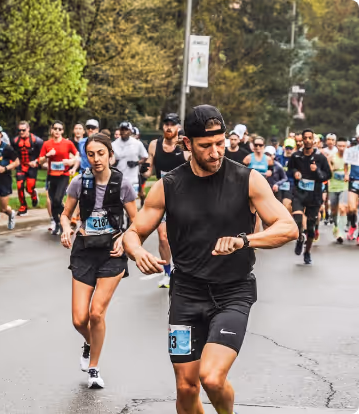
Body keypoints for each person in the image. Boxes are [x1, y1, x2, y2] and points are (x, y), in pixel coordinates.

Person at [123, 104, 297, 414]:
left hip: (232, 292)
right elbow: (132, 233)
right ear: (187, 144)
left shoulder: (248, 180)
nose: (216, 152)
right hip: (186, 295)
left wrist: (245, 240)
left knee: (212, 378)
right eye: (206, 146)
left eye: (220, 143)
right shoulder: (168, 186)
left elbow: (288, 228)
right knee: (185, 388)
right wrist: (138, 252)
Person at [60, 133, 137, 389]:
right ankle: (91, 341)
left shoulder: (123, 185)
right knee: (79, 319)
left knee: (96, 313)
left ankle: (94, 367)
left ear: (110, 155)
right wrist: (66, 228)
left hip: (111, 254)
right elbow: (66, 214)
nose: (96, 159)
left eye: (101, 153)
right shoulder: (79, 183)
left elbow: (138, 223)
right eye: (91, 154)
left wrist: (124, 238)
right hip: (84, 250)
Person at [143, 113, 190, 288]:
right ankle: (167, 273)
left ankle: (184, 268)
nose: (169, 127)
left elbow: (193, 166)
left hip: (183, 198)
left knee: (182, 236)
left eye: (173, 124)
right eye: (166, 124)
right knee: (163, 237)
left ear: (178, 127)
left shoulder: (184, 145)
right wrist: (143, 169)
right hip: (161, 197)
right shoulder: (155, 145)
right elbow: (148, 170)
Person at [288, 129, 332, 264]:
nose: (307, 140)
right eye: (305, 138)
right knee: (298, 220)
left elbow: (328, 175)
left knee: (311, 228)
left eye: (309, 138)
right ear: (301, 140)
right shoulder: (296, 156)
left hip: (314, 195)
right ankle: (300, 239)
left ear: (313, 140)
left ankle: (307, 252)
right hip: (300, 193)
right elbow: (289, 169)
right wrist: (295, 172)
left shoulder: (320, 158)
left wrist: (317, 171)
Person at [31, 121, 77, 235]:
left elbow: (77, 156)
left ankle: (64, 220)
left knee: (57, 199)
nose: (57, 131)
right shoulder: (47, 144)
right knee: (53, 202)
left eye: (59, 129)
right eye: (55, 128)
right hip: (51, 175)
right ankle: (58, 222)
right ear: (51, 130)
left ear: (62, 131)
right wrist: (48, 155)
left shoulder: (68, 143)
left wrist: (70, 162)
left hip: (63, 175)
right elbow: (40, 160)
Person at [11, 121, 43, 216]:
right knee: (19, 186)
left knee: (29, 188)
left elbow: (43, 155)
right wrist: (12, 163)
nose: (21, 132)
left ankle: (33, 195)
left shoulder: (37, 141)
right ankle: (23, 207)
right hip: (20, 165)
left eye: (23, 130)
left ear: (28, 129)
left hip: (32, 166)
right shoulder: (15, 141)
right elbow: (11, 153)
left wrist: (36, 161)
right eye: (19, 130)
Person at [112, 121, 148, 196]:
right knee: (120, 201)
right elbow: (109, 159)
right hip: (119, 178)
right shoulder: (114, 144)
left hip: (133, 178)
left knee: (132, 200)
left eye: (126, 129)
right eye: (122, 129)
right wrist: (114, 163)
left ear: (130, 131)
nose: (123, 132)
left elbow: (145, 156)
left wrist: (136, 163)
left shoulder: (137, 144)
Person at [328, 137, 348, 243]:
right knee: (334, 210)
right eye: (339, 146)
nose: (341, 148)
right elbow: (328, 170)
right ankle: (336, 225)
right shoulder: (331, 157)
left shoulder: (349, 158)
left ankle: (341, 232)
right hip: (333, 187)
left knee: (343, 208)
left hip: (345, 186)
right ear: (336, 146)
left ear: (347, 146)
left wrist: (347, 174)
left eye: (344, 146)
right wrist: (332, 168)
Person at [344, 137, 359, 243]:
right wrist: (346, 174)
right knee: (352, 208)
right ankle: (353, 225)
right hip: (354, 180)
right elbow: (346, 163)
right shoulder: (351, 151)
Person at [279, 139, 296, 212]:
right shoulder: (279, 158)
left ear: (294, 148)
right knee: (278, 206)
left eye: (291, 148)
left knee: (286, 205)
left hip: (290, 184)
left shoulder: (296, 159)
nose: (289, 150)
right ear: (284, 147)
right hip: (279, 184)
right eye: (287, 148)